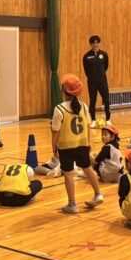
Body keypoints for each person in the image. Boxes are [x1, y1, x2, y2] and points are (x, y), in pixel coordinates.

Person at [52, 74, 104, 213]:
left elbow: (55, 131)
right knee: (87, 168)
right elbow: (87, 126)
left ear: (63, 90)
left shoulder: (59, 109)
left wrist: (54, 147)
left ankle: (72, 204)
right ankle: (98, 193)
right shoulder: (84, 106)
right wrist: (88, 143)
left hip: (66, 146)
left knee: (68, 174)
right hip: (82, 143)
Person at [82, 35, 110, 127]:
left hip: (103, 82)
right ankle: (93, 120)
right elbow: (86, 70)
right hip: (92, 83)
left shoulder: (104, 54)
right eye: (93, 43)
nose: (95, 45)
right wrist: (92, 77)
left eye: (97, 43)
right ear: (90, 44)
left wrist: (100, 76)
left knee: (106, 100)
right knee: (92, 101)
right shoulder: (86, 56)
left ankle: (108, 119)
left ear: (99, 43)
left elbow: (105, 67)